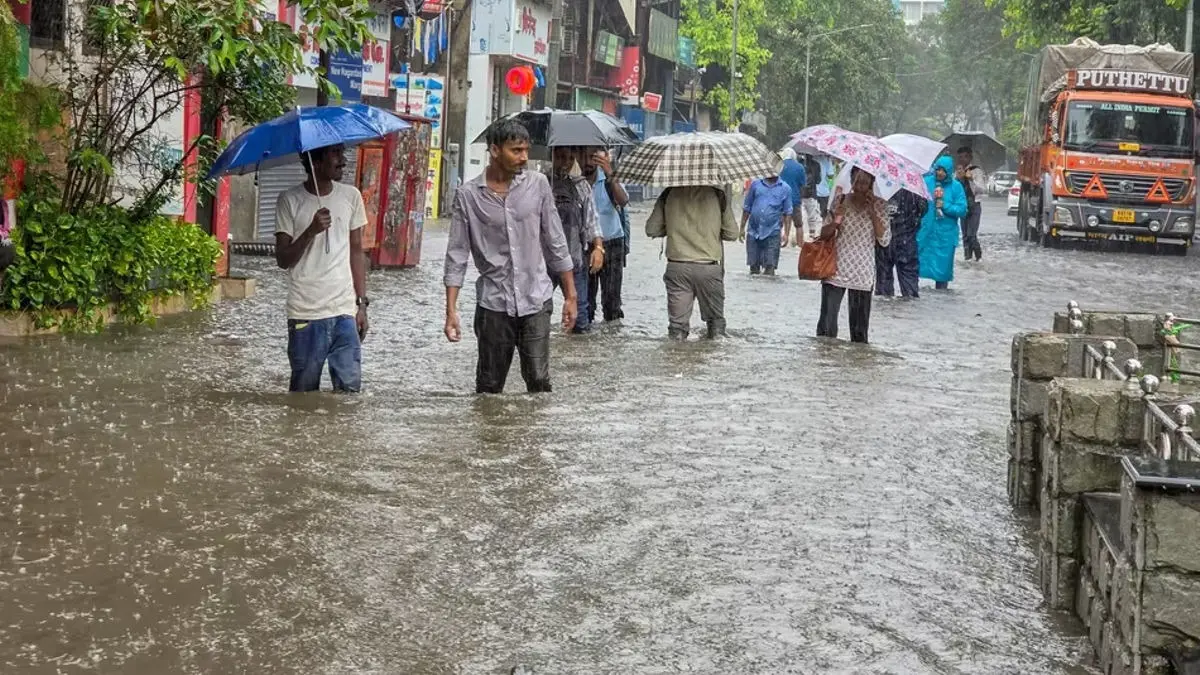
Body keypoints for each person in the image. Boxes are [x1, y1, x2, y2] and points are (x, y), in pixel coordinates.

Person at [443, 120, 578, 394]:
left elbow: (555, 242)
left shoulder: (538, 185)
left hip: (536, 300)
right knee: (489, 388)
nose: (524, 157)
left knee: (539, 382)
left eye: (526, 150)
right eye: (516, 150)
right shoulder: (468, 196)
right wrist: (451, 310)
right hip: (494, 304)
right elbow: (457, 254)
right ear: (494, 150)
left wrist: (571, 296)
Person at [274, 144, 369, 393]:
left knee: (349, 395)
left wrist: (361, 305)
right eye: (335, 154)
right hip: (306, 313)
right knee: (303, 398)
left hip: (344, 313)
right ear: (315, 161)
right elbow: (283, 259)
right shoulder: (289, 200)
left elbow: (357, 252)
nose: (343, 161)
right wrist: (310, 231)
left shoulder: (351, 196)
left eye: (342, 153)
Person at [646, 184, 738, 340]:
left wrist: (673, 228)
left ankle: (675, 361)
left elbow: (652, 229)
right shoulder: (718, 195)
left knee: (677, 330)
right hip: (708, 268)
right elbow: (732, 233)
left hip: (677, 267)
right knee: (716, 328)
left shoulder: (668, 193)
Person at [816, 168, 890, 344]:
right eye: (856, 182)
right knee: (827, 327)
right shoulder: (840, 201)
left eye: (864, 183)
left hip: (862, 273)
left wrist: (873, 213)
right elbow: (824, 234)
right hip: (836, 269)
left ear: (872, 184)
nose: (859, 187)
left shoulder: (880, 206)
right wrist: (837, 220)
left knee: (859, 334)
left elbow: (884, 239)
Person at [547, 146, 603, 333]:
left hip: (574, 260)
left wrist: (598, 248)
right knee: (537, 312)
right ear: (552, 156)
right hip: (543, 262)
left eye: (570, 158)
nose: (565, 163)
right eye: (561, 157)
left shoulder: (581, 186)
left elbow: (592, 221)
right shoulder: (540, 184)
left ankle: (578, 358)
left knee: (579, 319)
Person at [582, 147, 629, 323]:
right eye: (584, 157)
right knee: (586, 303)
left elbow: (623, 201)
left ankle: (612, 339)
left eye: (593, 158)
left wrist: (609, 173)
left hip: (612, 243)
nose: (588, 162)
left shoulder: (610, 179)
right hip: (587, 246)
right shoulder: (577, 184)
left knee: (612, 303)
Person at [918, 155, 969, 290]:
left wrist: (945, 206)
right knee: (916, 265)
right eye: (938, 169)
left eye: (943, 170)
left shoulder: (956, 187)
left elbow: (962, 210)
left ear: (948, 171)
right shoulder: (925, 182)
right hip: (925, 232)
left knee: (942, 271)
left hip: (945, 236)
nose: (939, 173)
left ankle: (941, 296)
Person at [875, 190, 928, 299]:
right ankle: (906, 314)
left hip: (885, 240)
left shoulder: (880, 186)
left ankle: (886, 313)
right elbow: (923, 210)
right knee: (909, 292)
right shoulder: (914, 188)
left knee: (883, 289)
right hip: (905, 240)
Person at [739, 173, 793, 275]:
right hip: (753, 232)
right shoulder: (755, 185)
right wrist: (741, 228)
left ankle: (769, 290)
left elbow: (788, 213)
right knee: (753, 268)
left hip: (773, 233)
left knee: (770, 268)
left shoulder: (785, 188)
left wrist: (786, 234)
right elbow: (747, 208)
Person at [779, 149, 816, 243]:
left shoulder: (779, 165)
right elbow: (803, 185)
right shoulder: (800, 167)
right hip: (795, 199)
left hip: (780, 199)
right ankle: (800, 244)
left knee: (778, 225)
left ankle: (779, 242)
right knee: (799, 225)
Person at [956, 146, 986, 261]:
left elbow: (982, 190)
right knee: (964, 236)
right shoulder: (958, 172)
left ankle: (978, 258)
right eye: (960, 157)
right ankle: (967, 259)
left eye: (965, 157)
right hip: (963, 206)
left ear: (970, 157)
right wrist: (958, 179)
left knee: (971, 235)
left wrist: (971, 179)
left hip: (975, 205)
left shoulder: (976, 171)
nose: (963, 159)